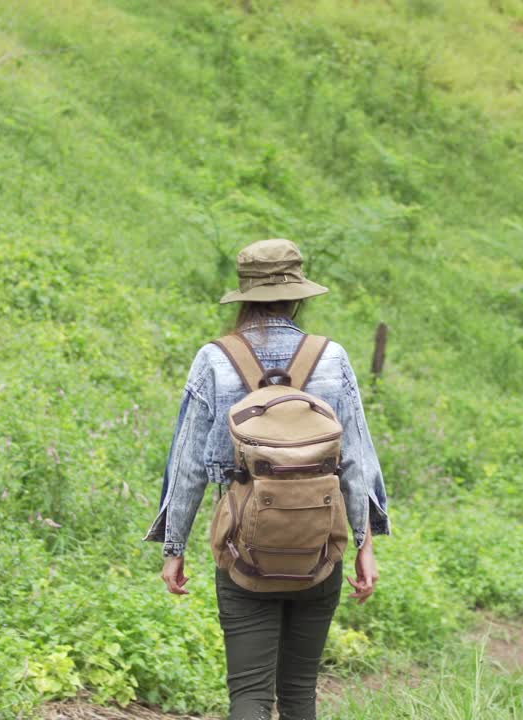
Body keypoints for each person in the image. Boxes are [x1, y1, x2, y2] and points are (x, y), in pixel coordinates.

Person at [144, 238, 391, 720]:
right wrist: (364, 545)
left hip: (242, 553)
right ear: (298, 295)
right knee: (300, 694)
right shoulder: (331, 357)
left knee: (250, 697)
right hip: (320, 551)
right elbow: (357, 460)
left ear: (245, 294)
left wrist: (173, 548)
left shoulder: (214, 359)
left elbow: (189, 465)